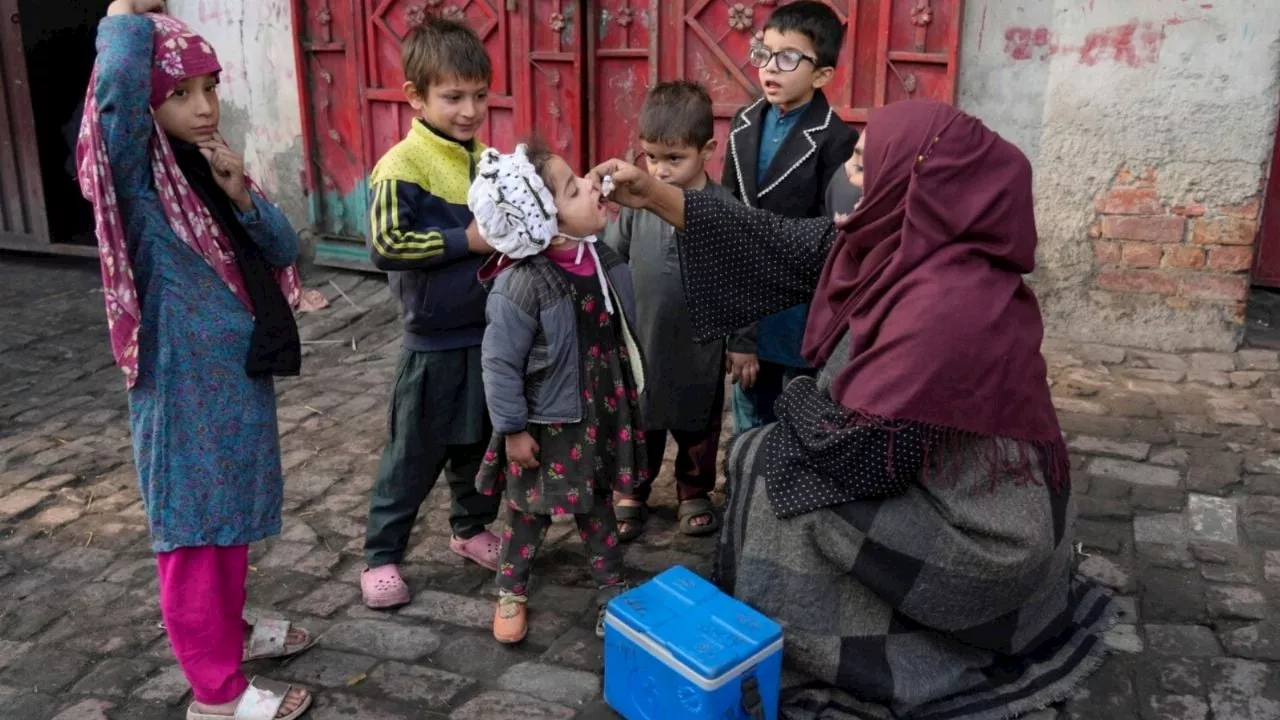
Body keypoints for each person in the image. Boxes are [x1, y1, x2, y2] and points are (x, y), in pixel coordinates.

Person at [595, 99, 1118, 719]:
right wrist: (653, 193)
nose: (849, 172)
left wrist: (794, 398)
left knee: (772, 470)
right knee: (765, 454)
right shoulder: (902, 242)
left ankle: (821, 638)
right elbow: (776, 239)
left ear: (917, 177)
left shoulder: (950, 302)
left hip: (981, 532)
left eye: (866, 163)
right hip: (913, 467)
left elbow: (856, 457)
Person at [77, 2, 313, 717]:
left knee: (230, 521)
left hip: (233, 386)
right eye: (179, 93)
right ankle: (215, 693)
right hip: (181, 390)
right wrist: (123, 16)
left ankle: (229, 632)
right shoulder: (139, 189)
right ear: (149, 104)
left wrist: (242, 195)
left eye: (209, 87)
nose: (204, 106)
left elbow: (281, 250)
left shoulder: (203, 168)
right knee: (192, 537)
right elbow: (115, 96)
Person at [470, 142, 642, 644]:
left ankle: (612, 588)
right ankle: (510, 589)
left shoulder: (600, 257)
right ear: (544, 221)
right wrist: (513, 430)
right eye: (574, 189)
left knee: (598, 505)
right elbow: (499, 364)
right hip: (547, 421)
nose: (590, 185)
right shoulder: (520, 285)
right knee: (528, 511)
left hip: (599, 410)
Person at [360, 17, 504, 610]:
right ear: (415, 97)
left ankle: (469, 530)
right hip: (432, 345)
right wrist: (465, 242)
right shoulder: (401, 165)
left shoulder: (490, 161)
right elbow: (385, 244)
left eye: (478, 96)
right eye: (452, 97)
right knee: (412, 453)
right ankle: (381, 556)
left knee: (482, 442)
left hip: (491, 338)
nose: (469, 110)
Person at [602, 81, 735, 541]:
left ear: (708, 150)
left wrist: (744, 344)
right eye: (651, 158)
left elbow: (743, 280)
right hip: (643, 340)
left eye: (673, 159)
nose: (659, 170)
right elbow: (613, 258)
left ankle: (693, 491)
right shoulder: (639, 204)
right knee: (641, 420)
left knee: (699, 421)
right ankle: (632, 492)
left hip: (701, 345)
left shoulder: (724, 209)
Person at [722, 1, 858, 437]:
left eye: (788, 58)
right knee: (748, 416)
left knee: (797, 419)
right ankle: (745, 493)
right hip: (745, 300)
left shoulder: (836, 139)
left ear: (821, 76)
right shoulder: (743, 123)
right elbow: (728, 218)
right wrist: (740, 335)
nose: (769, 68)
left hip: (799, 311)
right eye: (764, 52)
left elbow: (832, 241)